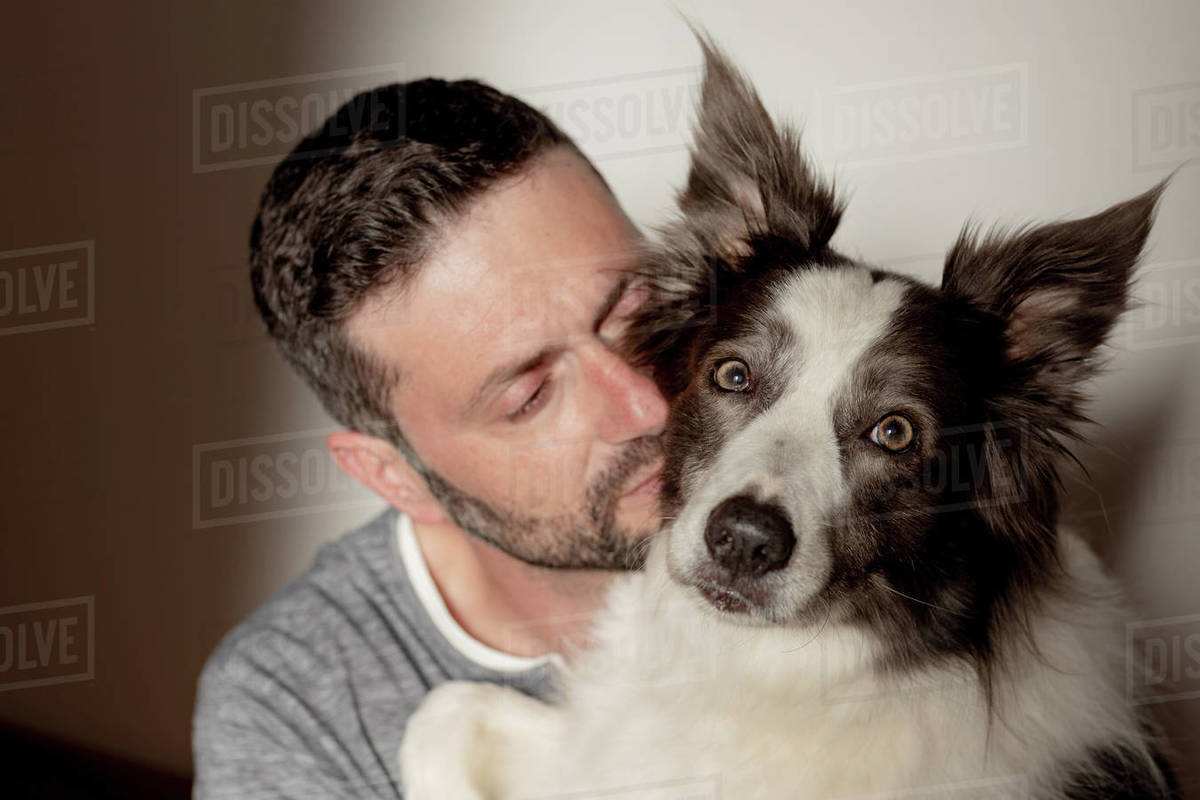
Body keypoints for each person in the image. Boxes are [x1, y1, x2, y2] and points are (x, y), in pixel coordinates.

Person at [191, 77, 669, 799]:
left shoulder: (846, 469)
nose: (648, 404)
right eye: (531, 396)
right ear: (396, 478)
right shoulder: (294, 704)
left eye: (637, 310)